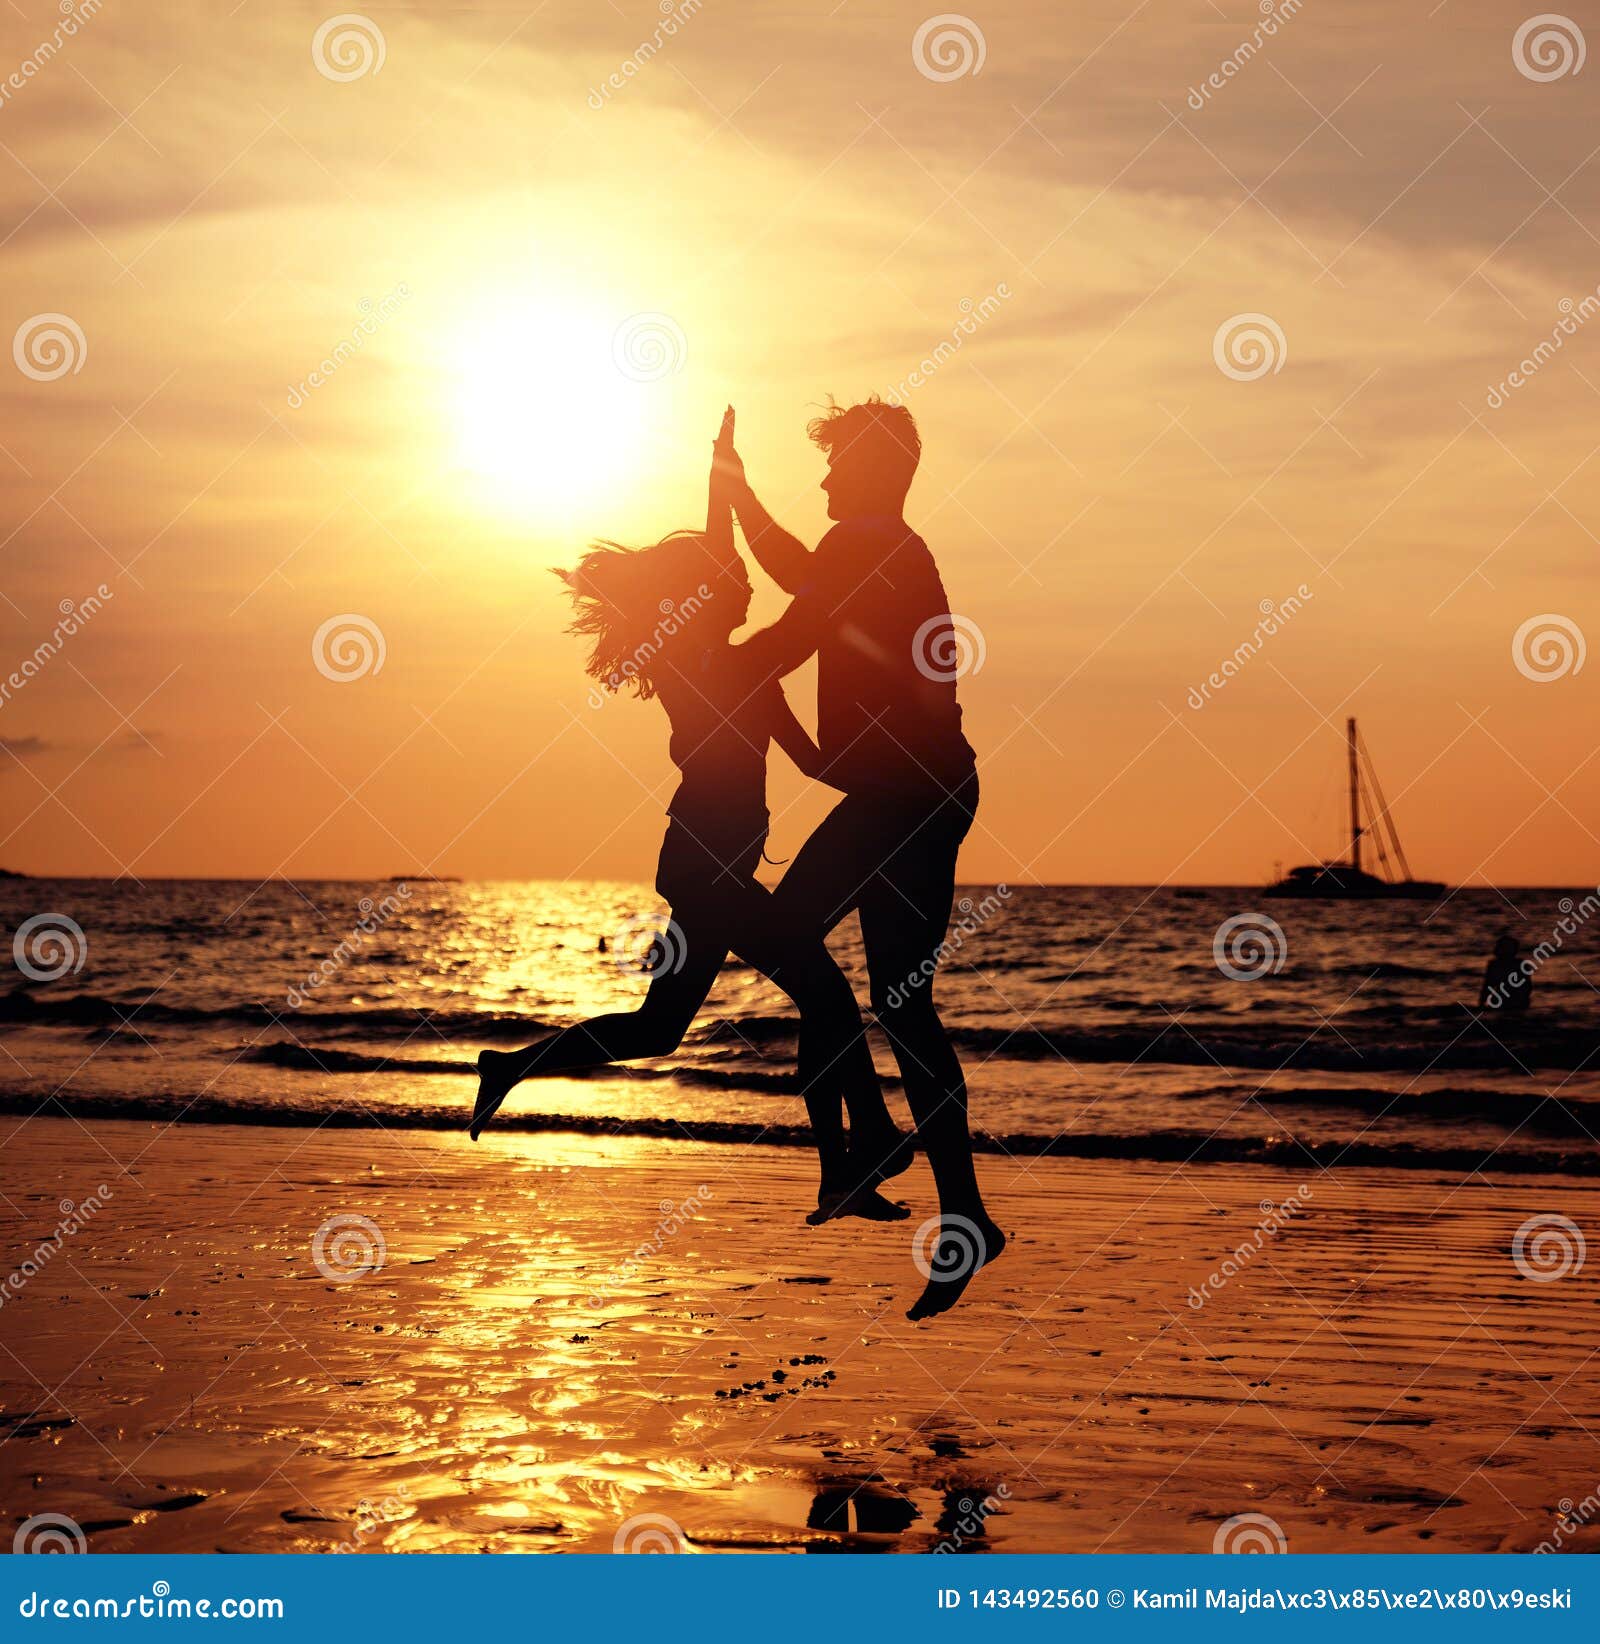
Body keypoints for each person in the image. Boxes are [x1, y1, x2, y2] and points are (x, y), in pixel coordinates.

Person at [470, 413, 909, 1226]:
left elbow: (815, 763)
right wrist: (730, 491)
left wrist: (724, 477)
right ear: (700, 602)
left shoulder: (742, 666)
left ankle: (512, 1064)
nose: (744, 583)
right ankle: (858, 1151)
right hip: (703, 870)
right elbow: (769, 603)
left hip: (713, 872)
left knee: (658, 1028)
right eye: (729, 582)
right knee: (828, 993)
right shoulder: (698, 662)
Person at [718, 397, 1005, 1320]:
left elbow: (793, 629)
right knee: (900, 1002)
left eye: (839, 465)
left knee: (787, 934)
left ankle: (867, 1146)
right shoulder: (876, 547)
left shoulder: (878, 543)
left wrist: (703, 663)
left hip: (905, 798)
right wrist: (741, 494)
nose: (829, 479)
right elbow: (801, 577)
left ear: (877, 472)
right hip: (924, 792)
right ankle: (956, 1212)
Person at [1479, 934, 1532, 1015]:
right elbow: (1487, 987)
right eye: (1501, 947)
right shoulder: (1493, 965)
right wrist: (1481, 1004)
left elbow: (1527, 988)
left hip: (1517, 1003)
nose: (1502, 951)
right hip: (1499, 1002)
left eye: (1506, 948)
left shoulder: (1521, 965)